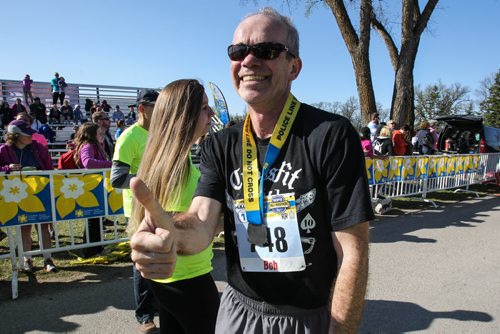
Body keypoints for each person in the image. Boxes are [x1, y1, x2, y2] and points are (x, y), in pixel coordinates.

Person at [130, 8, 372, 334]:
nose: (249, 60)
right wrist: (171, 232)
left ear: (294, 67)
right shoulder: (221, 144)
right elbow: (201, 223)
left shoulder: (331, 135)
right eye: (238, 51)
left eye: (266, 50)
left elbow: (352, 252)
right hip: (238, 311)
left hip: (306, 317)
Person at [129, 80, 218, 334]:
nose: (211, 114)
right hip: (190, 280)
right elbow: (180, 225)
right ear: (183, 117)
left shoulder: (166, 161)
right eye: (203, 108)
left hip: (169, 281)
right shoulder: (176, 169)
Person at [111, 89, 160, 333]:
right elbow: (117, 178)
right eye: (156, 106)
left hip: (163, 205)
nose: (162, 111)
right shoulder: (129, 137)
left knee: (165, 257)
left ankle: (163, 305)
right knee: (144, 263)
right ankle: (145, 316)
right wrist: (148, 180)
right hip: (139, 210)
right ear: (142, 109)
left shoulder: (161, 134)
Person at [0, 120, 57, 272]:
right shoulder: (4, 150)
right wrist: (7, 168)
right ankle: (27, 259)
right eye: (27, 134)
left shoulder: (39, 148)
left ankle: (48, 259)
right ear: (15, 135)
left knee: (43, 226)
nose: (31, 136)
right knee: (24, 227)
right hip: (17, 196)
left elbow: (49, 168)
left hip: (40, 192)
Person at [72, 122, 112, 257]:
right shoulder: (88, 146)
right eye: (99, 133)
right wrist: (112, 164)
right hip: (90, 186)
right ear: (91, 134)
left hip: (97, 185)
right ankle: (90, 250)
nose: (102, 135)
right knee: (93, 218)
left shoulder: (97, 146)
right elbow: (88, 163)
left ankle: (98, 247)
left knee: (98, 218)